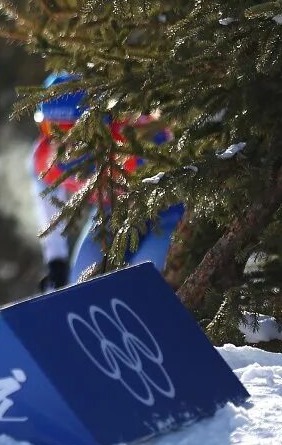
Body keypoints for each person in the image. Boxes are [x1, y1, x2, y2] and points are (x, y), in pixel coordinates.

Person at [28, 71, 179, 288]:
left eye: (68, 129)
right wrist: (56, 261)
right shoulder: (44, 159)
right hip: (110, 214)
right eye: (50, 128)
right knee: (79, 281)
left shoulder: (135, 140)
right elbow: (47, 208)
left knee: (147, 277)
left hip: (166, 212)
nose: (61, 142)